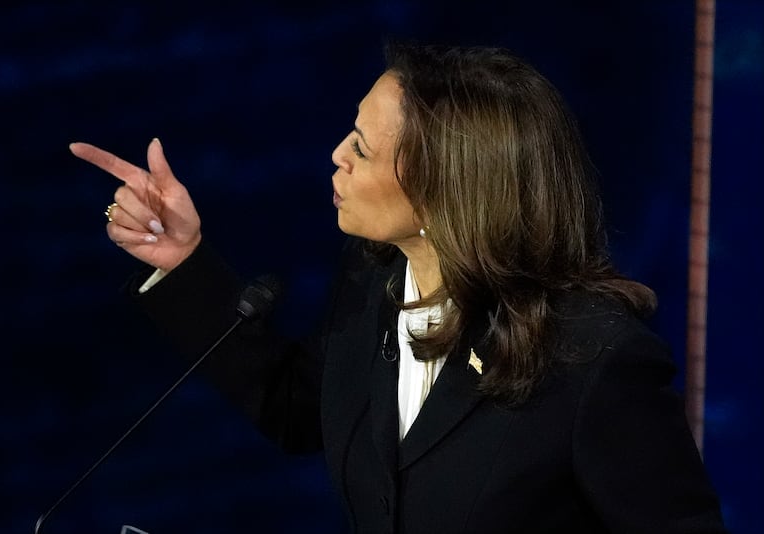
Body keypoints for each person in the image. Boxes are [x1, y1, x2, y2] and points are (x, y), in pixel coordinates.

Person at [70, 42, 726, 533]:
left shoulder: (596, 358)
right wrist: (183, 260)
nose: (337, 156)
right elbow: (301, 412)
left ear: (445, 189)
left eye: (361, 146)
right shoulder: (372, 279)